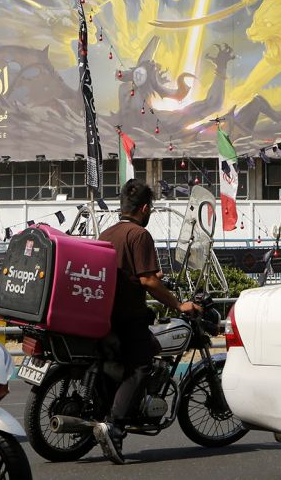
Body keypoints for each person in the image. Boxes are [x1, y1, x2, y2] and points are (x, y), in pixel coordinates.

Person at [92, 180, 198, 465]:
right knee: (141, 364)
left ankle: (108, 413)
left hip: (103, 315)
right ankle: (116, 426)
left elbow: (131, 272)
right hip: (127, 315)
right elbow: (147, 280)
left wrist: (152, 277)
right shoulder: (139, 234)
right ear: (145, 208)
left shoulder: (107, 232)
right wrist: (178, 303)